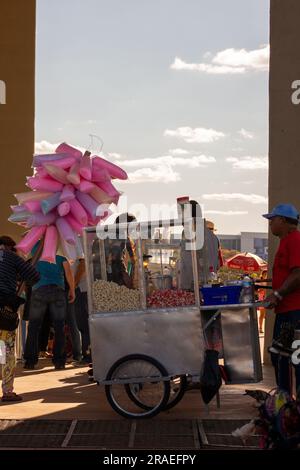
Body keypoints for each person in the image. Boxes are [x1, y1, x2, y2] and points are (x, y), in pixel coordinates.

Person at [263, 203, 300, 394]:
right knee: (280, 357)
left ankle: (290, 405)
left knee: (293, 358)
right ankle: (283, 400)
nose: (270, 223)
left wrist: (278, 293)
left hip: (295, 311)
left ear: (283, 221)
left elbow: (297, 274)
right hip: (286, 310)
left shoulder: (295, 240)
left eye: (272, 219)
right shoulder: (286, 241)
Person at [0, 236, 39, 401]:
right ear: (9, 247)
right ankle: (7, 392)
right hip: (5, 309)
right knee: (6, 349)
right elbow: (34, 276)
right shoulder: (11, 257)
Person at [24, 244, 75, 370]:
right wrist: (72, 290)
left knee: (34, 327)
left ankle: (30, 361)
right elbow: (68, 272)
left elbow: (25, 236)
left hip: (38, 290)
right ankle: (59, 361)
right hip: (58, 290)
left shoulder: (36, 247)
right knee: (59, 327)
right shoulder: (60, 248)